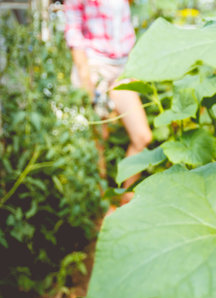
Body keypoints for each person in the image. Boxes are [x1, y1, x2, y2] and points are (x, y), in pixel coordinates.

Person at [64, 0, 152, 211]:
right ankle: (101, 209)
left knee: (142, 137)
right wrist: (86, 79)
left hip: (122, 67)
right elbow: (73, 30)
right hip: (95, 65)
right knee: (98, 142)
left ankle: (127, 202)